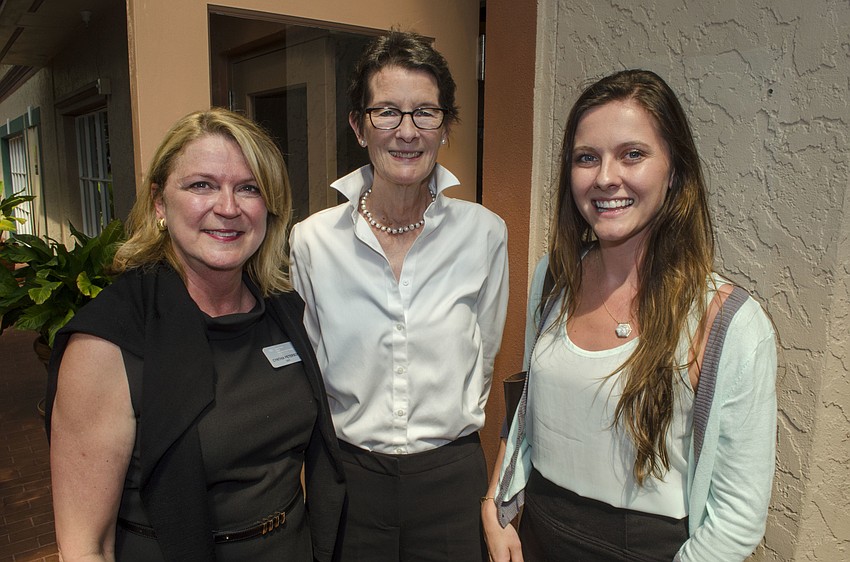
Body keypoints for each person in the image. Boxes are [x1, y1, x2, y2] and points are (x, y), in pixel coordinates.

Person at [482, 69, 777, 561]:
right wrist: (495, 503)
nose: (604, 178)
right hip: (537, 533)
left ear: (674, 169)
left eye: (632, 154)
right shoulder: (553, 279)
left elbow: (737, 519)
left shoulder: (730, 324)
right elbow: (529, 410)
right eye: (586, 158)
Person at [45, 108, 344, 562]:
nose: (228, 207)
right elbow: (86, 545)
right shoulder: (108, 343)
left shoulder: (281, 310)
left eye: (249, 188)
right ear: (160, 203)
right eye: (201, 185)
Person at [289, 30, 509, 561]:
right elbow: (310, 372)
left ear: (445, 126)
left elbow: (485, 354)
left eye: (425, 113)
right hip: (350, 477)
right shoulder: (313, 241)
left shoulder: (485, 234)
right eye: (386, 112)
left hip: (450, 476)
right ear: (358, 126)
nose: (406, 131)